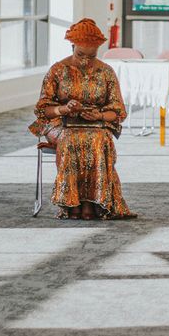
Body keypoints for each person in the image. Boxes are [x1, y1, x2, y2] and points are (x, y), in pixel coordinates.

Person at [29, 18, 135, 220]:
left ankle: (92, 202)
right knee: (70, 140)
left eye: (92, 56)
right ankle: (71, 203)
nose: (86, 61)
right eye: (80, 55)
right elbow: (43, 109)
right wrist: (63, 108)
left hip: (96, 124)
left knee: (99, 140)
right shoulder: (57, 70)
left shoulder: (106, 72)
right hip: (60, 123)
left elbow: (118, 111)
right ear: (72, 46)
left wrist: (100, 115)